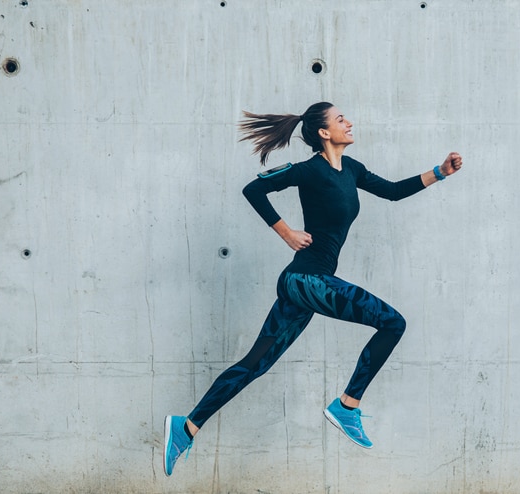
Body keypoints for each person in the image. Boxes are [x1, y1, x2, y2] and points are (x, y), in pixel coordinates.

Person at [163, 101, 463, 476]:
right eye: (341, 119)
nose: (349, 122)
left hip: (305, 286)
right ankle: (347, 407)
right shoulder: (309, 171)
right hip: (306, 279)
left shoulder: (351, 170)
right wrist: (285, 231)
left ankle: (185, 428)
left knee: (254, 363)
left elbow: (392, 191)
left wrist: (441, 171)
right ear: (324, 132)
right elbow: (253, 190)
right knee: (392, 323)